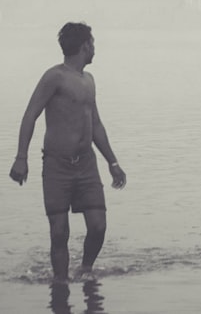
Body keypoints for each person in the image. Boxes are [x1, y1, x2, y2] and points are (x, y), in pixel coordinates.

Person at [9, 22, 127, 284]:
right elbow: (30, 115)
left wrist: (113, 162)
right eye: (92, 43)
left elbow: (95, 124)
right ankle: (60, 285)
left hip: (86, 164)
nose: (94, 48)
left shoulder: (89, 81)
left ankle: (85, 270)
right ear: (84, 45)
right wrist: (21, 157)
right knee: (59, 232)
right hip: (57, 165)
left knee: (98, 226)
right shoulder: (55, 77)